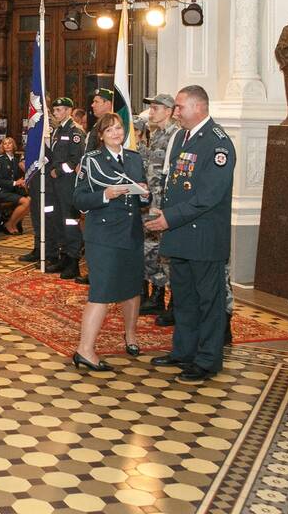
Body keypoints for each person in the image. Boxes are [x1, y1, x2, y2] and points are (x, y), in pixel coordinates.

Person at [145, 85, 236, 384]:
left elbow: (208, 196)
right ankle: (184, 351)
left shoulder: (217, 143)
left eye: (180, 107)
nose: (176, 112)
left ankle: (208, 360)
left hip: (203, 237)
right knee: (183, 299)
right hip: (180, 233)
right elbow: (176, 182)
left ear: (199, 107)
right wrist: (165, 215)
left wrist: (169, 218)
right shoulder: (183, 137)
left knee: (208, 301)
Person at [71, 113, 149, 372]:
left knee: (131, 288)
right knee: (102, 292)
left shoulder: (135, 159)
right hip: (103, 236)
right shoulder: (91, 161)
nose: (116, 133)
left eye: (119, 128)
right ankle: (85, 349)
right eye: (110, 129)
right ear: (101, 135)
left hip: (131, 233)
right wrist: (104, 195)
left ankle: (130, 335)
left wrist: (145, 194)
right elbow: (79, 200)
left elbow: (142, 198)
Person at [138, 94, 178, 317]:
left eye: (156, 107)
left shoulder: (176, 136)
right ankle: (156, 294)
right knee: (151, 251)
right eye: (151, 108)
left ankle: (172, 301)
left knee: (166, 255)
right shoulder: (156, 135)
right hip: (149, 202)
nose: (151, 111)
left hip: (164, 206)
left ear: (169, 111)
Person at [48, 97, 85, 279]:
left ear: (69, 111)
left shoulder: (75, 131)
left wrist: (59, 171)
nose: (56, 113)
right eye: (55, 110)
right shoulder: (58, 130)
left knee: (70, 221)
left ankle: (73, 260)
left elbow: (75, 160)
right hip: (56, 183)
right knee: (58, 219)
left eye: (60, 110)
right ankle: (63, 256)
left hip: (68, 182)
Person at [0, 136, 30, 235]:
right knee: (25, 202)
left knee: (31, 200)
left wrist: (21, 182)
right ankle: (9, 224)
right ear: (2, 146)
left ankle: (14, 223)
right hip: (2, 191)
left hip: (12, 190)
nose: (7, 145)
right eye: (5, 143)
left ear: (13, 145)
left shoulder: (15, 159)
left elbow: (16, 176)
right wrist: (14, 183)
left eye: (9, 143)